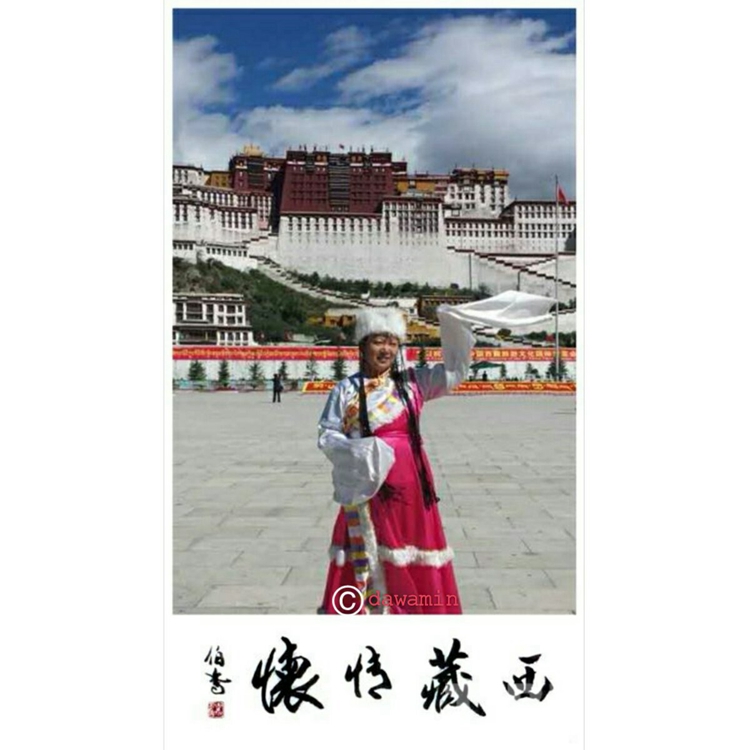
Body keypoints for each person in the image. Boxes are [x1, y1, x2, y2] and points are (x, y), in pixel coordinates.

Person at [317, 305, 475, 614]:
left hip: (411, 486)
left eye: (392, 342)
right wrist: (356, 452)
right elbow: (328, 433)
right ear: (363, 346)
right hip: (367, 487)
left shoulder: (413, 383)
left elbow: (455, 373)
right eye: (378, 341)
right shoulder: (346, 390)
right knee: (367, 549)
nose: (386, 349)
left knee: (412, 547)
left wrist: (453, 325)